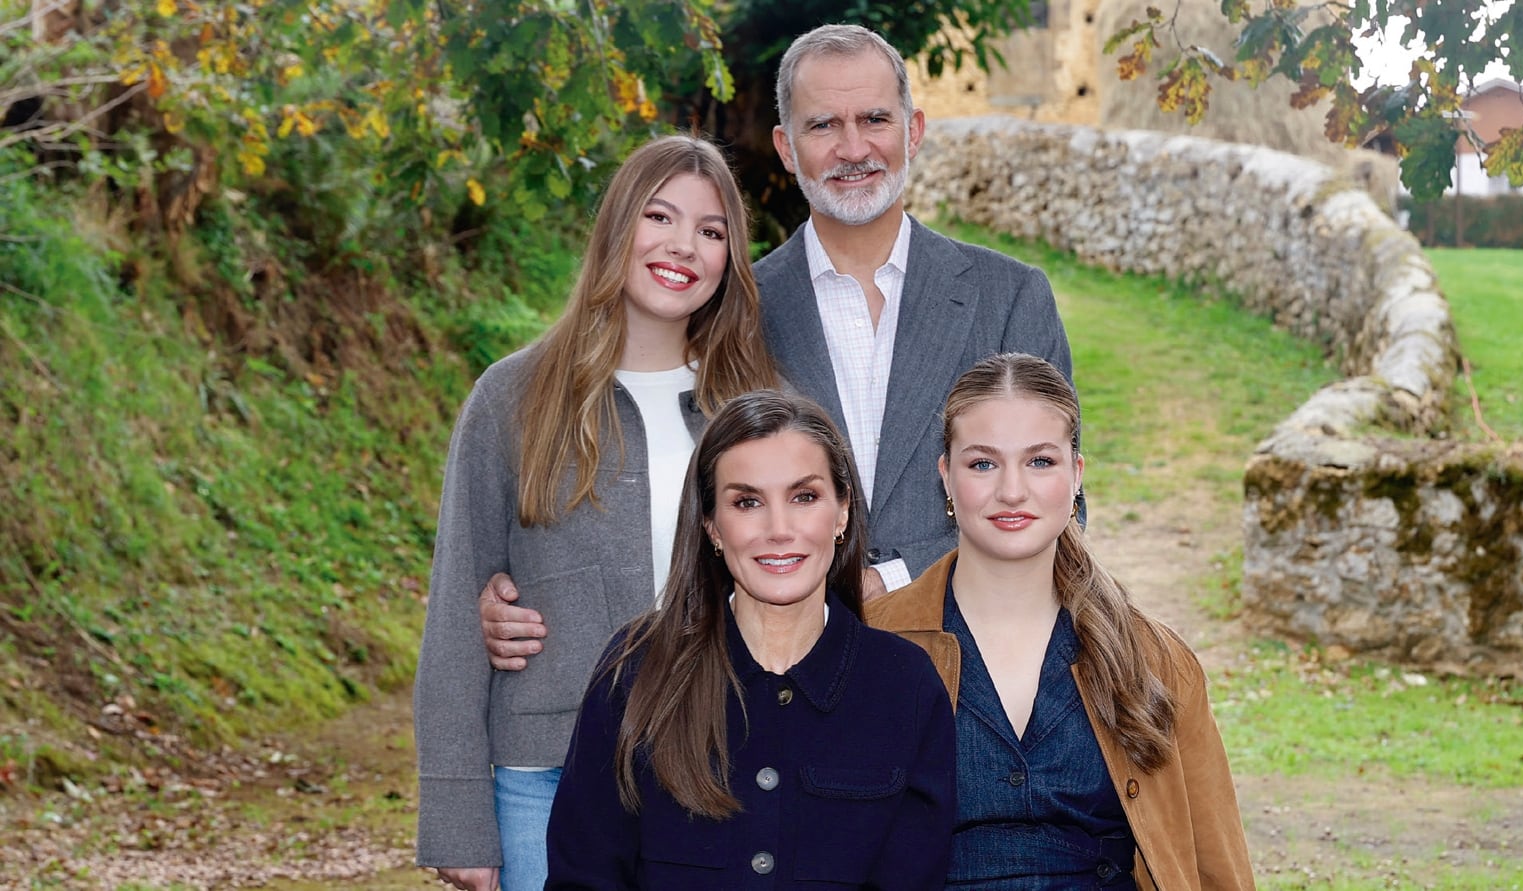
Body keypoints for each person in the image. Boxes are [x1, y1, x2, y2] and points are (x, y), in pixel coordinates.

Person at [480, 23, 1078, 673]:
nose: (853, 147)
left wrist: (898, 579)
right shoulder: (726, 310)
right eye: (822, 125)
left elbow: (1059, 509)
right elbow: (656, 467)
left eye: (874, 118)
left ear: (912, 131)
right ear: (785, 147)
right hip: (777, 689)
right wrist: (531, 586)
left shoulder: (1011, 298)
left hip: (975, 671)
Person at [413, 135, 780, 891]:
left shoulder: (755, 409)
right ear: (617, 226)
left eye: (712, 231)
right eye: (659, 216)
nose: (684, 246)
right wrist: (456, 814)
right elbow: (456, 610)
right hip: (543, 776)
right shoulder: (511, 398)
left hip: (723, 762)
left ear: (729, 259)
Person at [866, 353, 1255, 890]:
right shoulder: (869, 646)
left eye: (1040, 462)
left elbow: (1217, 866)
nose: (1011, 491)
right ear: (946, 478)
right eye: (983, 463)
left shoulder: (1155, 660)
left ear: (1076, 476)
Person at [544, 390, 957, 890]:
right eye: (747, 502)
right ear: (712, 525)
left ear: (843, 512)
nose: (778, 529)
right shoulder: (636, 667)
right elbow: (584, 874)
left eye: (804, 497)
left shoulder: (904, 684)